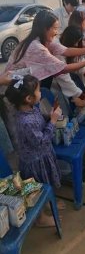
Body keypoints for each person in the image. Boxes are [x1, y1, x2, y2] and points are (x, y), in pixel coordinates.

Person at [4, 74, 62, 227]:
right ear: (29, 98)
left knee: (46, 184)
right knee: (38, 189)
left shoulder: (30, 109)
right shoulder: (25, 121)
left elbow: (40, 120)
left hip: (42, 156)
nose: (40, 93)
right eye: (38, 91)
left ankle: (48, 203)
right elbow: (40, 142)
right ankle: (40, 218)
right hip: (35, 162)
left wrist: (49, 116)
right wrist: (54, 121)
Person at [60, 25, 85, 90]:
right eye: (75, 42)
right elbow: (65, 76)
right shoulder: (59, 52)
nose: (76, 44)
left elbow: (81, 62)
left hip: (75, 83)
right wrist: (81, 95)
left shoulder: (75, 48)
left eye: (78, 42)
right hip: (65, 85)